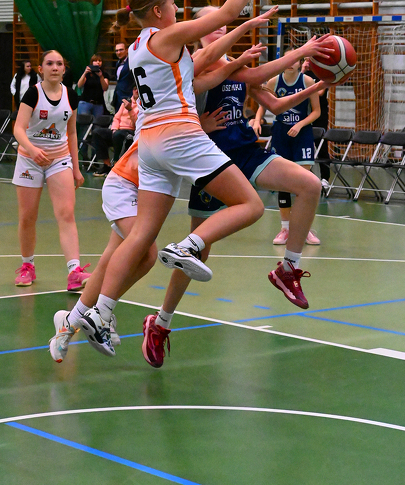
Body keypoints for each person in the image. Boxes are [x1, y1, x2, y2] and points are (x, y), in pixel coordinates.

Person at [48, 14, 268, 362]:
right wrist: (242, 27)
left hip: (145, 179)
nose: (219, 31)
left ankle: (72, 321)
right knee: (143, 253)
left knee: (119, 256)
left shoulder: (181, 77)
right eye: (213, 26)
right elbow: (209, 61)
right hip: (127, 181)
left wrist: (240, 54)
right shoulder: (174, 71)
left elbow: (223, 70)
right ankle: (97, 313)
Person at [140, 27, 332, 368]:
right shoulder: (194, 65)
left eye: (222, 26)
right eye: (211, 26)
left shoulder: (237, 66)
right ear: (199, 35)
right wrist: (200, 123)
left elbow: (275, 104)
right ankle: (161, 322)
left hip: (244, 151)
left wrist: (315, 88)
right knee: (198, 252)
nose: (217, 30)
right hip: (208, 159)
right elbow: (174, 109)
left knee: (309, 185)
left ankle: (289, 268)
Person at [12, 50, 92, 290]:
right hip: (29, 160)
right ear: (41, 69)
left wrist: (76, 168)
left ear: (64, 69)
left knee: (66, 214)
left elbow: (72, 133)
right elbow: (18, 129)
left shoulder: (71, 96)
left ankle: (74, 271)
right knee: (28, 217)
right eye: (49, 63)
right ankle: (27, 266)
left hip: (60, 160)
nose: (55, 67)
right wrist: (32, 149)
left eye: (59, 63)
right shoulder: (33, 94)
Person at [252, 51, 322, 246]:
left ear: (300, 63)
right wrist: (257, 120)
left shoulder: (307, 81)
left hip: (302, 134)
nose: (290, 63)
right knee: (283, 183)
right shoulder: (274, 82)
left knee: (305, 183)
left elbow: (316, 111)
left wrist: (300, 124)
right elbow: (262, 104)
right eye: (287, 60)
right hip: (281, 134)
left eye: (294, 60)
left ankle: (305, 229)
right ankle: (285, 228)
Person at [92, 88, 139, 177]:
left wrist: (130, 110)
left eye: (138, 90)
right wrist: (114, 129)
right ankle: (107, 165)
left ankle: (116, 166)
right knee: (97, 133)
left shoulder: (142, 106)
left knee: (119, 135)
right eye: (134, 89)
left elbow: (137, 123)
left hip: (131, 131)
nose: (136, 91)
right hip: (118, 130)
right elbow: (117, 117)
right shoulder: (126, 102)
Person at [302, 58, 331, 192]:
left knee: (321, 145)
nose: (308, 61)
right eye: (305, 59)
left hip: (320, 113)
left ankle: (325, 177)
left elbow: (320, 92)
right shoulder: (302, 75)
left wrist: (306, 89)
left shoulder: (322, 73)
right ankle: (304, 176)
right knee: (303, 146)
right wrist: (302, 70)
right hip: (305, 113)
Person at [113, 41, 134, 112]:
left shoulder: (131, 62)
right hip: (117, 97)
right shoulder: (118, 63)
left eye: (121, 50)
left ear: (127, 50)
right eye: (116, 51)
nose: (118, 52)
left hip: (128, 98)